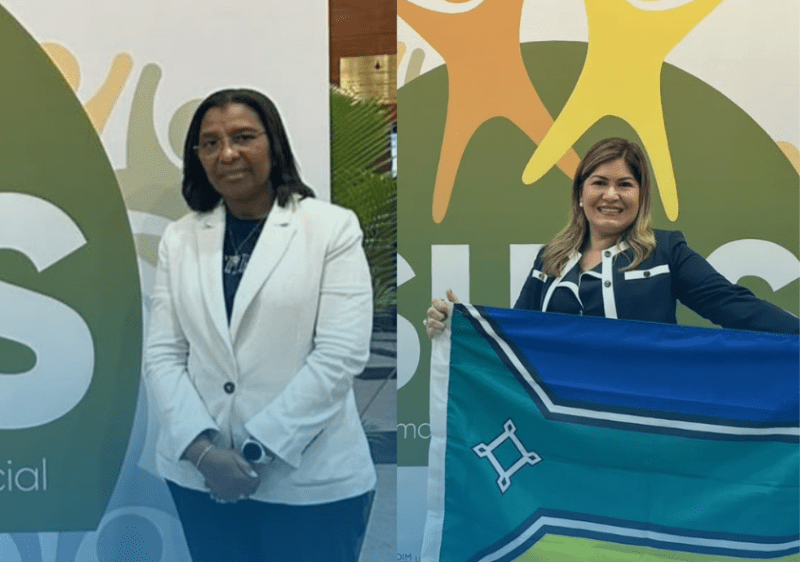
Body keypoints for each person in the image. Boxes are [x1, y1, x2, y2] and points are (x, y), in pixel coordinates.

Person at [144, 88, 375, 562]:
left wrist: (256, 451)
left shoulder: (331, 229)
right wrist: (203, 453)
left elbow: (340, 355)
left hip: (308, 478)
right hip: (202, 475)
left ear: (274, 144)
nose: (227, 153)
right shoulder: (180, 238)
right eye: (210, 143)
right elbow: (164, 354)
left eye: (244, 137)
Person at [426, 137, 799, 336]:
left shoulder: (667, 252)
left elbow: (735, 306)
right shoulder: (550, 258)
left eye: (625, 184)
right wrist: (459, 326)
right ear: (580, 193)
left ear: (641, 195)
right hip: (563, 419)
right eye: (599, 182)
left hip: (640, 416)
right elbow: (518, 332)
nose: (611, 195)